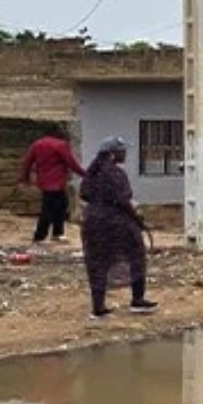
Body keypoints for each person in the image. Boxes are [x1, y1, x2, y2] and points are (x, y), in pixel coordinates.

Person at [78, 136, 157, 319]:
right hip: (116, 222)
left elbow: (85, 194)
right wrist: (139, 221)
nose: (125, 154)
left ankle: (98, 307)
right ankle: (138, 299)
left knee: (97, 263)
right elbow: (123, 201)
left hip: (92, 222)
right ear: (113, 153)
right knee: (136, 256)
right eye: (122, 151)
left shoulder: (92, 173)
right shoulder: (116, 173)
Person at [18, 125, 84, 244]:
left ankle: (54, 233)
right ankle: (43, 235)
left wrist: (24, 178)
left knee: (56, 206)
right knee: (54, 208)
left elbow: (27, 161)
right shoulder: (60, 145)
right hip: (57, 182)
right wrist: (85, 174)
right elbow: (71, 162)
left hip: (43, 181)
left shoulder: (37, 144)